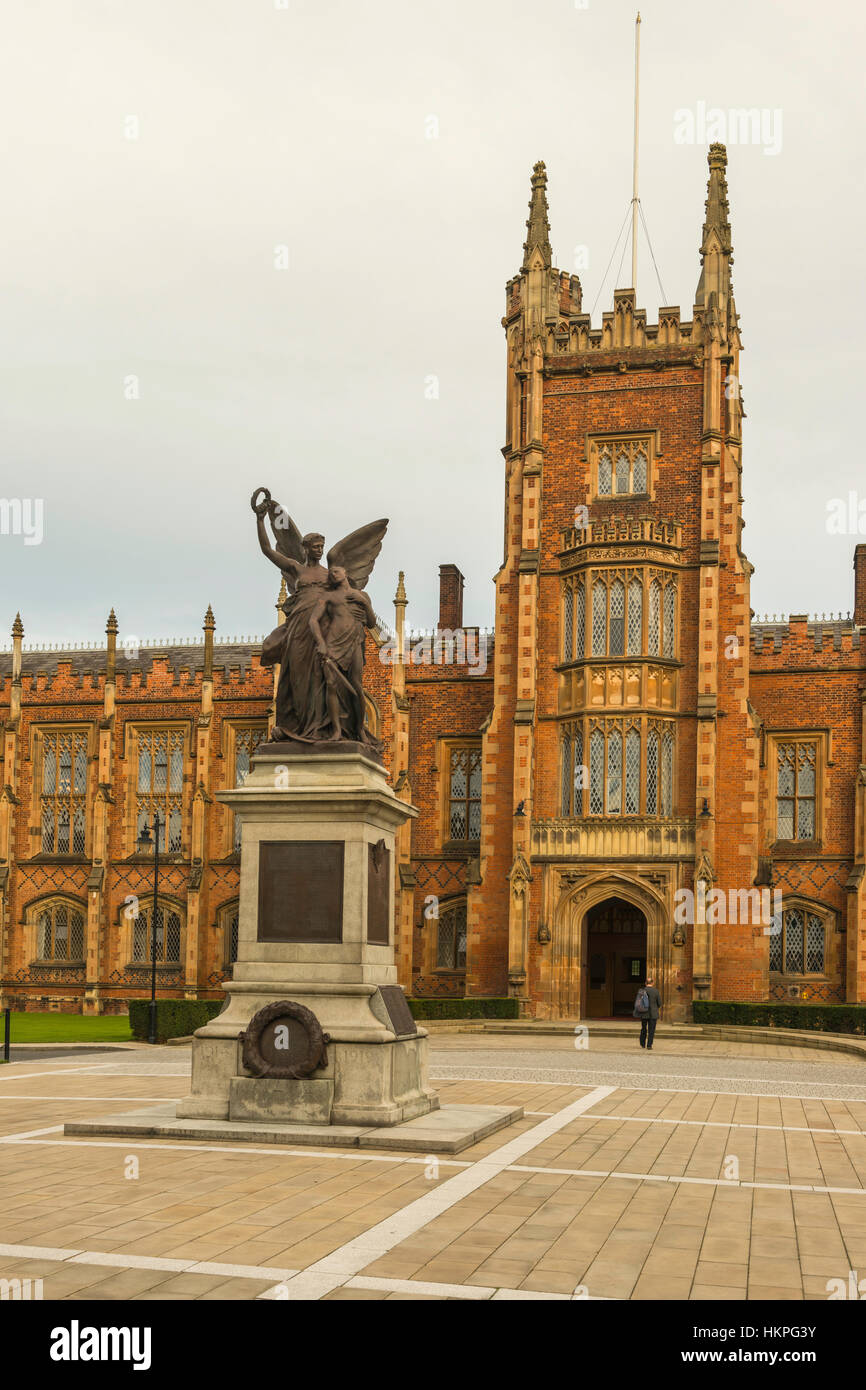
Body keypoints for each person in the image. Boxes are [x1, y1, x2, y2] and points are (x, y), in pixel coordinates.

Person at [634, 976, 662, 1050]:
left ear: (645, 983)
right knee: (651, 1030)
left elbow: (638, 1002)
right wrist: (655, 1008)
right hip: (653, 1014)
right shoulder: (656, 991)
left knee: (643, 1028)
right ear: (652, 983)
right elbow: (660, 1003)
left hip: (643, 1013)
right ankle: (649, 1045)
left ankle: (642, 1043)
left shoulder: (642, 991)